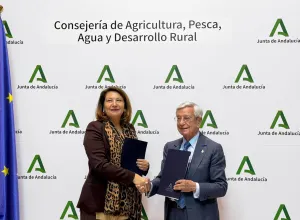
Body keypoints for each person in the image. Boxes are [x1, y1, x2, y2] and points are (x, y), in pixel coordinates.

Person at [138, 102, 227, 220]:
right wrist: (150, 186)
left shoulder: (213, 148)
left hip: (200, 215)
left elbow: (221, 187)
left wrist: (195, 187)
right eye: (178, 118)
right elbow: (163, 179)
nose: (181, 123)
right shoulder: (170, 146)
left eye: (186, 118)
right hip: (173, 214)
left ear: (198, 121)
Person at [77, 87, 149, 220]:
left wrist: (143, 166)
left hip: (127, 205)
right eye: (109, 100)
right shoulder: (95, 127)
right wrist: (133, 176)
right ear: (103, 106)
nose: (114, 104)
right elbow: (98, 164)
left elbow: (129, 162)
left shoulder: (129, 129)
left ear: (125, 106)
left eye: (119, 100)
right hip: (100, 204)